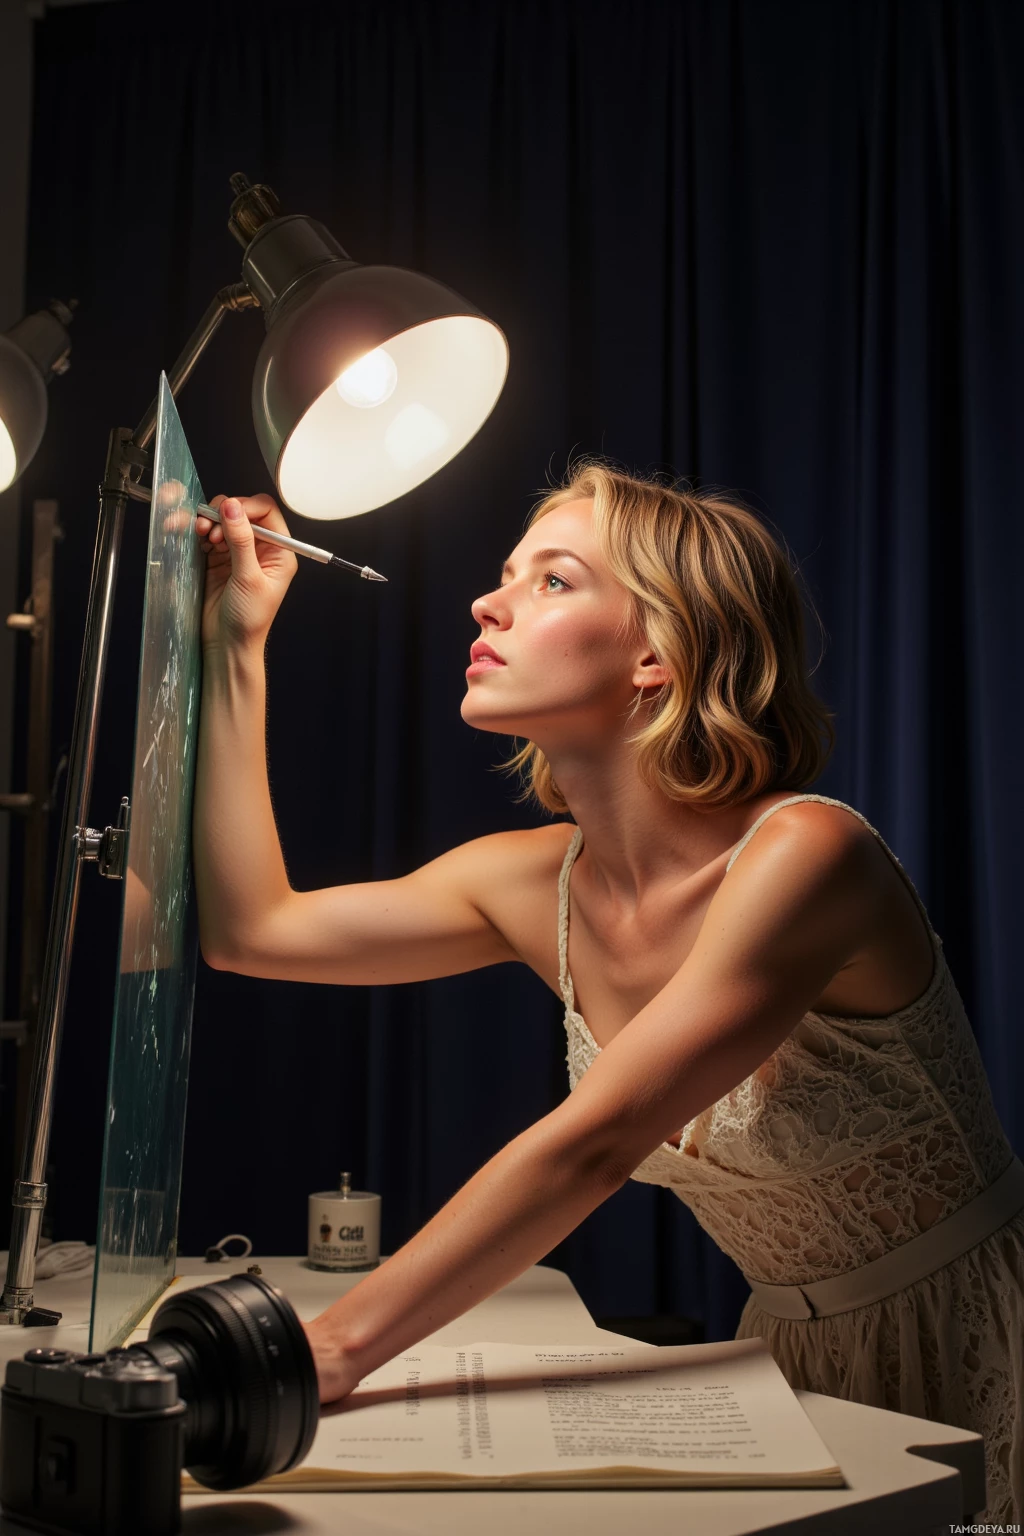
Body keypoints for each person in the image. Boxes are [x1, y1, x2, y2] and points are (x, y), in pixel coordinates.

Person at [193, 462, 1023, 1522]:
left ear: (657, 655)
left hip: (978, 1342)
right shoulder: (529, 880)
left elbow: (595, 1141)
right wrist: (238, 641)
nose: (486, 602)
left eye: (551, 581)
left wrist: (326, 1351)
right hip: (783, 1358)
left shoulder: (810, 853)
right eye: (506, 574)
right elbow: (249, 930)